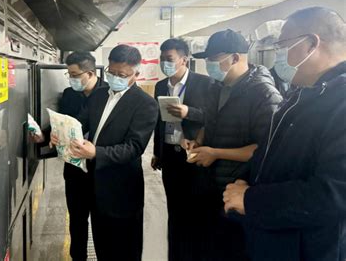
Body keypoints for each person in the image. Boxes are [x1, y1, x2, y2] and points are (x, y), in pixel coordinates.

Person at [223, 7, 346, 261]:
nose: (279, 55)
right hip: (273, 239)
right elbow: (271, 150)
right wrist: (243, 183)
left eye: (283, 45)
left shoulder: (340, 102)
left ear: (312, 43)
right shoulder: (303, 92)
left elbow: (333, 194)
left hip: (310, 248)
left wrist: (252, 200)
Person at [52, 44, 158, 261]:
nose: (115, 77)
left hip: (121, 188)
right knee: (102, 244)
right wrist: (59, 135)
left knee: (123, 248)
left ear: (136, 74)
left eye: (122, 75)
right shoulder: (99, 95)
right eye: (111, 72)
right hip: (94, 183)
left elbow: (134, 147)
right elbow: (79, 124)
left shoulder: (145, 104)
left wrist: (96, 153)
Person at [191, 29, 283, 261]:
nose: (210, 65)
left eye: (214, 59)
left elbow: (266, 149)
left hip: (238, 190)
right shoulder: (215, 88)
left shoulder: (263, 94)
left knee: (233, 251)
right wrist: (198, 141)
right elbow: (208, 123)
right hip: (210, 185)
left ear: (234, 58)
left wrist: (215, 152)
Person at [151, 38, 214, 261]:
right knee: (174, 211)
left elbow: (213, 116)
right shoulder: (161, 86)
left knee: (195, 213)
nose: (164, 63)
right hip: (169, 155)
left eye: (169, 59)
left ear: (184, 59)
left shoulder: (205, 84)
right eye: (162, 59)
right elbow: (160, 122)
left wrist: (189, 113)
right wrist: (157, 152)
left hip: (194, 156)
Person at [59, 51, 107, 261]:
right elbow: (62, 125)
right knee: (77, 221)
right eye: (69, 74)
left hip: (102, 170)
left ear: (89, 73)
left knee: (102, 223)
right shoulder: (69, 95)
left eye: (75, 74)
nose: (71, 79)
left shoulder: (110, 94)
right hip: (75, 169)